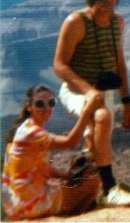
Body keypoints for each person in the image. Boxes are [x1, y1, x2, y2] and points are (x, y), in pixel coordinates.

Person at [53, 0, 130, 206]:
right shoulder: (76, 22)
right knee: (101, 117)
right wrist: (87, 90)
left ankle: (83, 194)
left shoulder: (117, 22)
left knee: (95, 144)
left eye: (111, 1)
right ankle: (110, 188)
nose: (106, 6)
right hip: (75, 89)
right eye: (100, 0)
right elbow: (59, 65)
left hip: (105, 91)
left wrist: (127, 103)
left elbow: (119, 63)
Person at [2, 85, 100, 220]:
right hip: (33, 203)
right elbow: (71, 142)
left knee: (73, 180)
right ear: (29, 106)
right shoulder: (32, 133)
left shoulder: (22, 130)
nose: (47, 108)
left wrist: (68, 176)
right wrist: (87, 111)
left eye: (51, 102)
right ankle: (74, 215)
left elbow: (43, 168)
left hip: (16, 204)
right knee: (94, 179)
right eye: (40, 103)